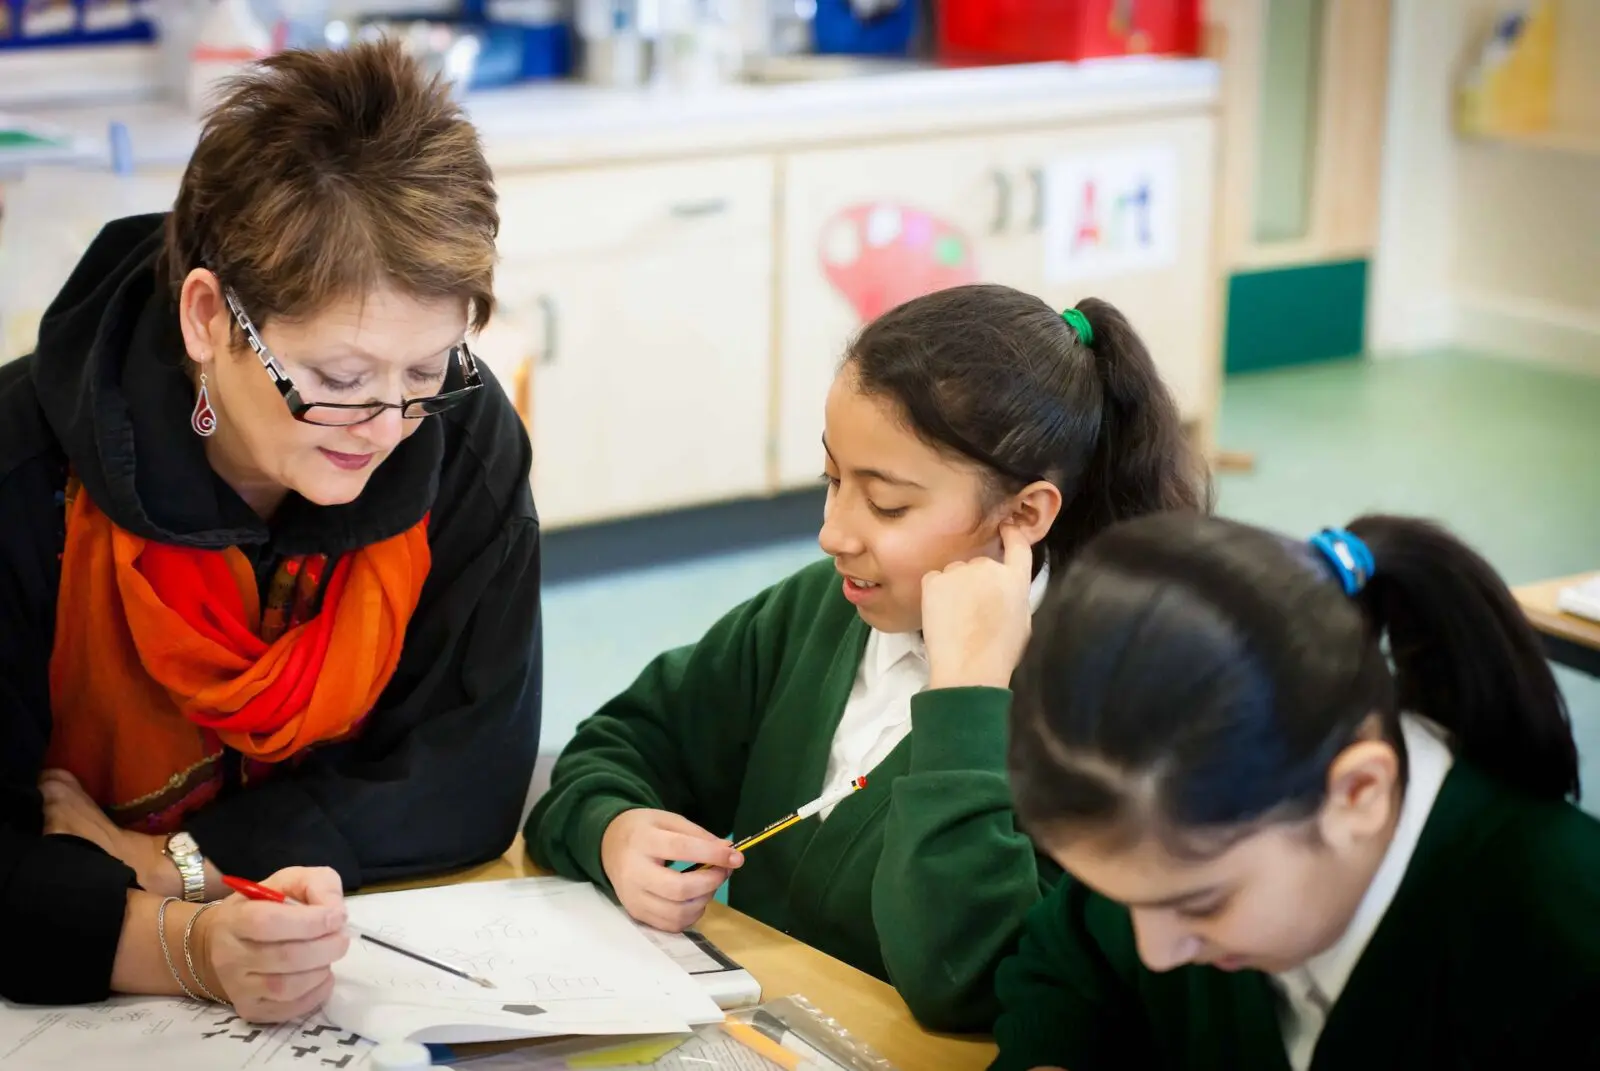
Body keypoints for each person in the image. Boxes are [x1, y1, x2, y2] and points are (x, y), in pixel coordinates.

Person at [1, 42, 542, 1023]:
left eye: (427, 369)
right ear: (208, 316)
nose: (386, 428)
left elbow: (470, 779)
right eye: (336, 381)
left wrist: (167, 867)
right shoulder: (23, 474)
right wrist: (184, 943)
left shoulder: (458, 436)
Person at [526, 283, 1209, 1031]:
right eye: (833, 479)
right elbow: (609, 752)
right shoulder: (818, 611)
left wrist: (969, 695)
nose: (834, 532)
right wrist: (613, 829)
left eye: (887, 504)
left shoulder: (1107, 713)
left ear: (1024, 515)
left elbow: (969, 980)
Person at [992, 513, 1600, 1070]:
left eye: (1204, 905)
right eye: (1121, 900)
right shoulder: (1169, 845)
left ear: (1357, 794)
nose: (1156, 954)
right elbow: (1062, 970)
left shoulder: (1561, 942)